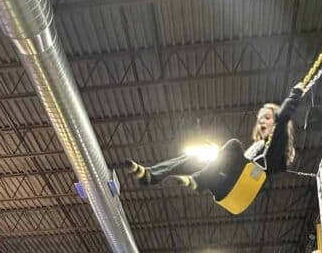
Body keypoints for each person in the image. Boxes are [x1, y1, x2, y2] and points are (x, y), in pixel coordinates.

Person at [126, 84, 304, 208]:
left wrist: (295, 94)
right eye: (259, 120)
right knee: (200, 157)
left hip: (243, 187)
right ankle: (152, 175)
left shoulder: (276, 150)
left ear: (275, 120)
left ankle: (199, 180)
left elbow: (282, 118)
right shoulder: (256, 149)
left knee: (233, 145)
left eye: (266, 117)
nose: (261, 122)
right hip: (224, 188)